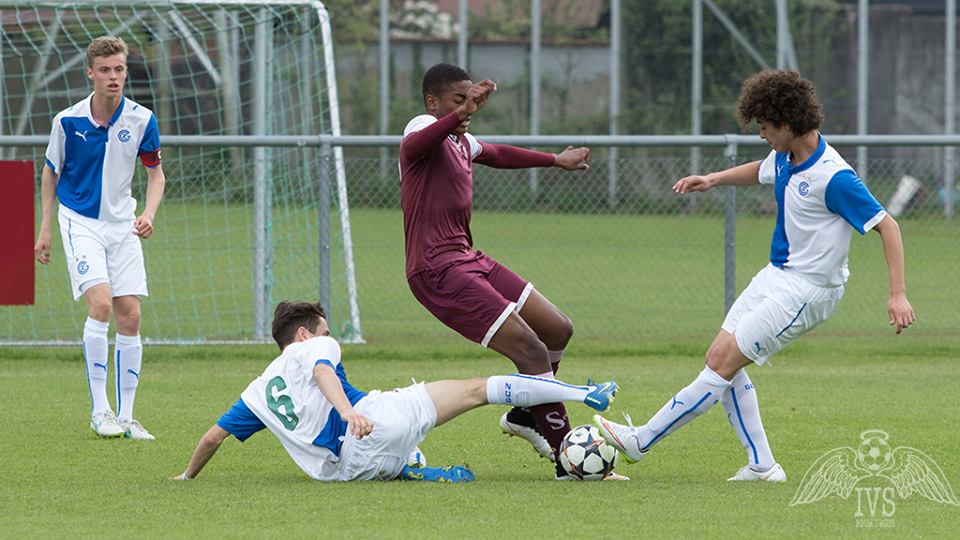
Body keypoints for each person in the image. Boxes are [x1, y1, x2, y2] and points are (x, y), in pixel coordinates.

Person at [594, 69, 916, 482]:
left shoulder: (833, 178)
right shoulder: (786, 155)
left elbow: (888, 226)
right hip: (775, 275)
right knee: (720, 360)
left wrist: (898, 294)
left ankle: (641, 440)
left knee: (722, 365)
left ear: (787, 123)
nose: (761, 133)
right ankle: (763, 465)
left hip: (807, 291)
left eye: (764, 126)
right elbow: (759, 170)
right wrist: (712, 179)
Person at [172, 301, 619, 483]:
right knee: (476, 390)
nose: (332, 335)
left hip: (348, 471)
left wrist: (186, 477)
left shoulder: (257, 389)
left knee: (403, 437)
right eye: (326, 329)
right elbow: (325, 373)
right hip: (371, 424)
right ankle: (583, 393)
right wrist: (348, 412)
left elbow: (213, 438)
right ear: (305, 333)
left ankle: (408, 465)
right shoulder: (315, 346)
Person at [399, 63, 594, 478]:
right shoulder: (422, 128)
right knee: (530, 350)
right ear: (433, 102)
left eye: (471, 98)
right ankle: (569, 459)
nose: (468, 107)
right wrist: (456, 116)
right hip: (436, 269)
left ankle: (526, 415)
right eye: (458, 100)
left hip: (468, 257)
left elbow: (498, 153)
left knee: (557, 328)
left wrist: (555, 161)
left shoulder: (459, 141)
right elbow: (414, 147)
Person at [34, 36, 166, 440]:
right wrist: (45, 228)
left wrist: (147, 213)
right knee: (103, 305)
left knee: (132, 315)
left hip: (122, 224)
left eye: (119, 69)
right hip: (80, 222)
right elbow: (50, 172)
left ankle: (127, 416)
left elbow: (156, 175)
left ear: (126, 72)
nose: (113, 77)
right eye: (105, 70)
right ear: (90, 73)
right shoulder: (67, 121)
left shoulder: (142, 119)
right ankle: (100, 410)